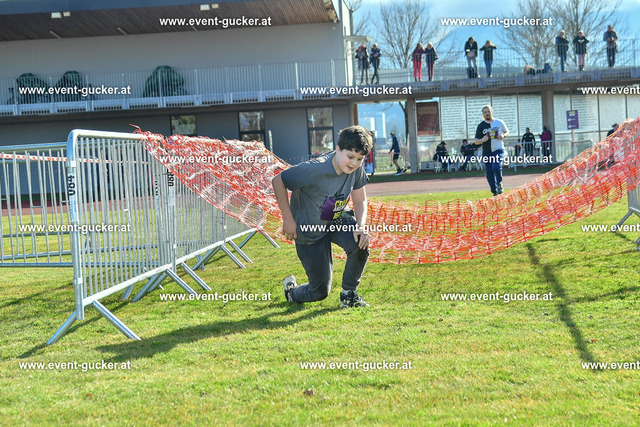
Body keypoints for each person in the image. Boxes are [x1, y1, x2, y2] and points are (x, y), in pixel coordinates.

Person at [272, 125, 372, 308]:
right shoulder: (314, 169)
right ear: (338, 149)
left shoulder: (356, 169)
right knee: (319, 291)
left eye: (360, 159)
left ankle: (349, 296)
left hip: (335, 219)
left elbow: (360, 200)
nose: (354, 163)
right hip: (308, 230)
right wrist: (288, 219)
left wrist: (361, 226)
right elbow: (278, 181)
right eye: (350, 157)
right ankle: (292, 292)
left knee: (361, 241)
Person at [474, 105, 509, 196]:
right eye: (485, 112)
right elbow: (476, 141)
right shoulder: (481, 126)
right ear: (483, 114)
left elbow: (507, 131)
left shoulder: (499, 122)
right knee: (489, 174)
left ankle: (499, 183)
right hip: (487, 152)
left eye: (488, 111)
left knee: (496, 167)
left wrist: (503, 136)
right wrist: (482, 140)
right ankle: (495, 192)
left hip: (498, 149)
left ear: (492, 112)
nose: (487, 113)